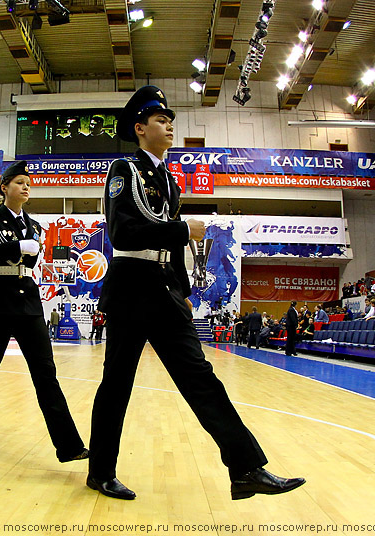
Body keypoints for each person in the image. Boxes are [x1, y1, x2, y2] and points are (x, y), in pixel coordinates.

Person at [88, 86, 304, 501]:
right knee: (117, 384)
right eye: (160, 120)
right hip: (131, 285)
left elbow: (169, 247)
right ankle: (100, 472)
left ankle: (245, 468)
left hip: (164, 289)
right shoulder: (124, 170)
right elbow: (122, 232)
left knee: (200, 378)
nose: (169, 126)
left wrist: (182, 290)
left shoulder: (168, 180)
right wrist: (183, 229)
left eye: (170, 120)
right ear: (139, 128)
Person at [0, 160, 88, 463]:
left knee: (46, 373)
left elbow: (29, 264)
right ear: (4, 187)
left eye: (28, 182)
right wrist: (17, 246)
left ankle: (69, 446)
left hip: (28, 300)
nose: (26, 186)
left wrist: (27, 249)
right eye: (19, 182)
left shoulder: (33, 226)